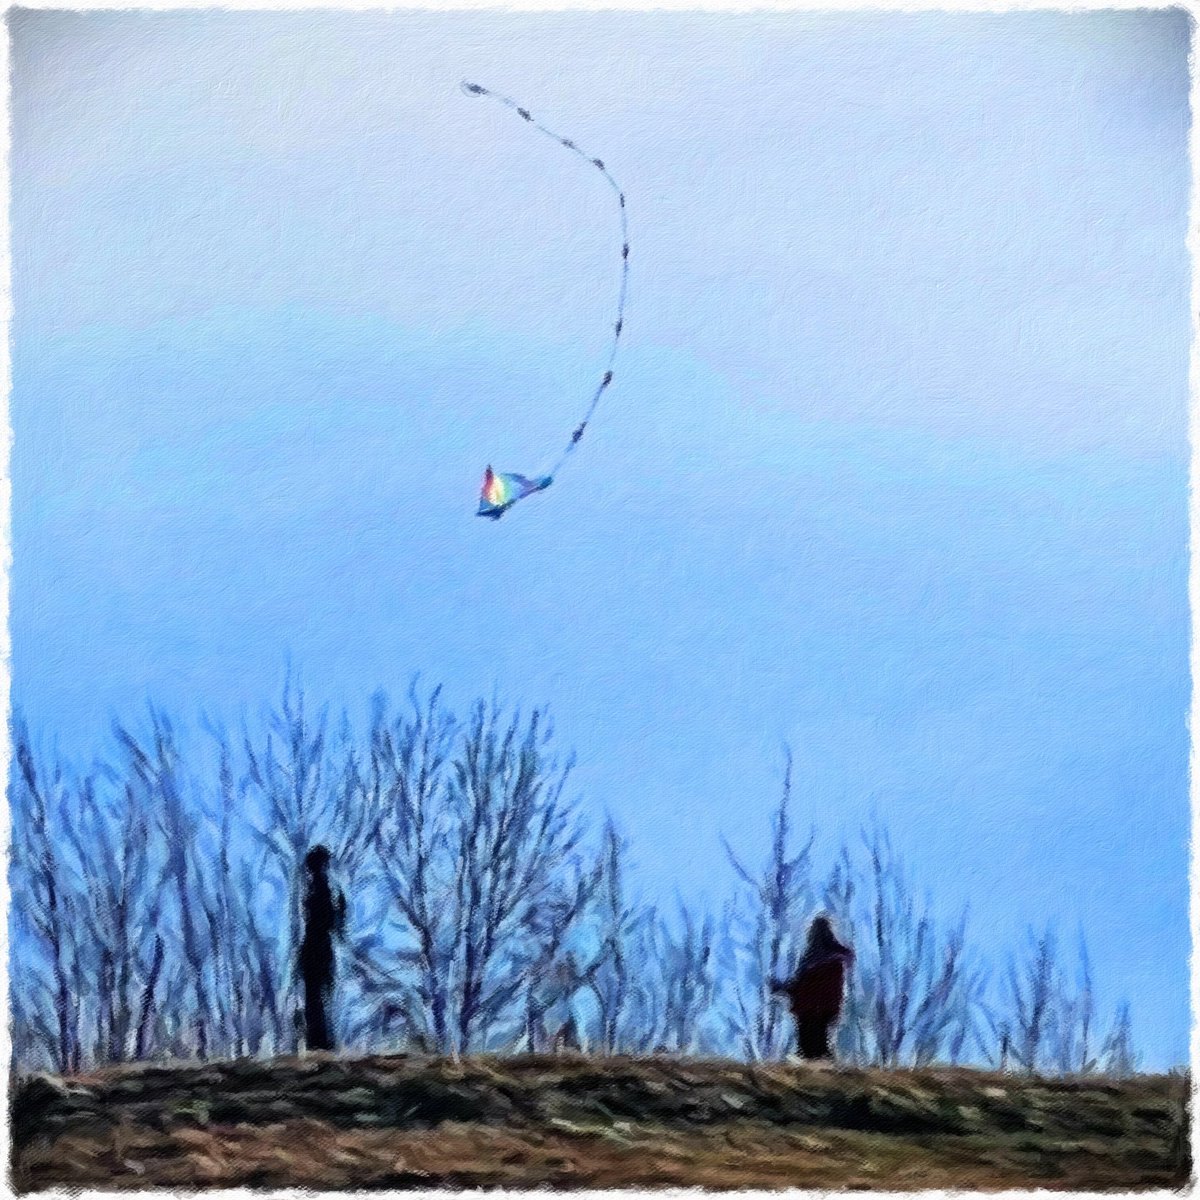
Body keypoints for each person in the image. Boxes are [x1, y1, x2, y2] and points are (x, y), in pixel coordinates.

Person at [772, 915, 854, 1061]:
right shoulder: (835, 960)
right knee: (819, 1046)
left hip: (809, 1010)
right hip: (826, 1009)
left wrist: (782, 988)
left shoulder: (812, 960)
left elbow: (800, 987)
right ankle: (824, 1071)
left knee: (811, 1049)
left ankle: (819, 1072)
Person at [298, 845, 346, 1052]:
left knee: (316, 997)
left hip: (314, 950)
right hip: (319, 949)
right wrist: (340, 911)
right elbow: (331, 925)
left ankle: (318, 1041)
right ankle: (319, 1042)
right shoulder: (322, 889)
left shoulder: (316, 889)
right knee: (319, 997)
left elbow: (325, 923)